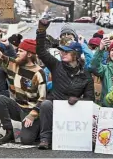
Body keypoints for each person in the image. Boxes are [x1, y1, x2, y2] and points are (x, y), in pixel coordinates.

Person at [36, 19, 94, 149]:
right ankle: (45, 139)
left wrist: (78, 100)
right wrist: (41, 31)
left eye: (66, 51)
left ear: (76, 55)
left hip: (73, 110)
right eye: (62, 51)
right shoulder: (56, 65)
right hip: (55, 105)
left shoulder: (85, 75)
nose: (62, 53)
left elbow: (90, 99)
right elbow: (41, 52)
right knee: (45, 104)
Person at [0, 31, 46, 145]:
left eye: (21, 51)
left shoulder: (38, 72)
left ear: (29, 54)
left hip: (31, 111)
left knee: (26, 140)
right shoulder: (13, 64)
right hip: (17, 107)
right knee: (0, 99)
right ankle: (9, 132)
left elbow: (43, 98)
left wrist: (32, 115)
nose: (17, 53)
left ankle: (38, 129)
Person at [90, 37, 113, 107]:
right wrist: (100, 49)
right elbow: (93, 67)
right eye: (112, 50)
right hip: (106, 109)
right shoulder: (105, 69)